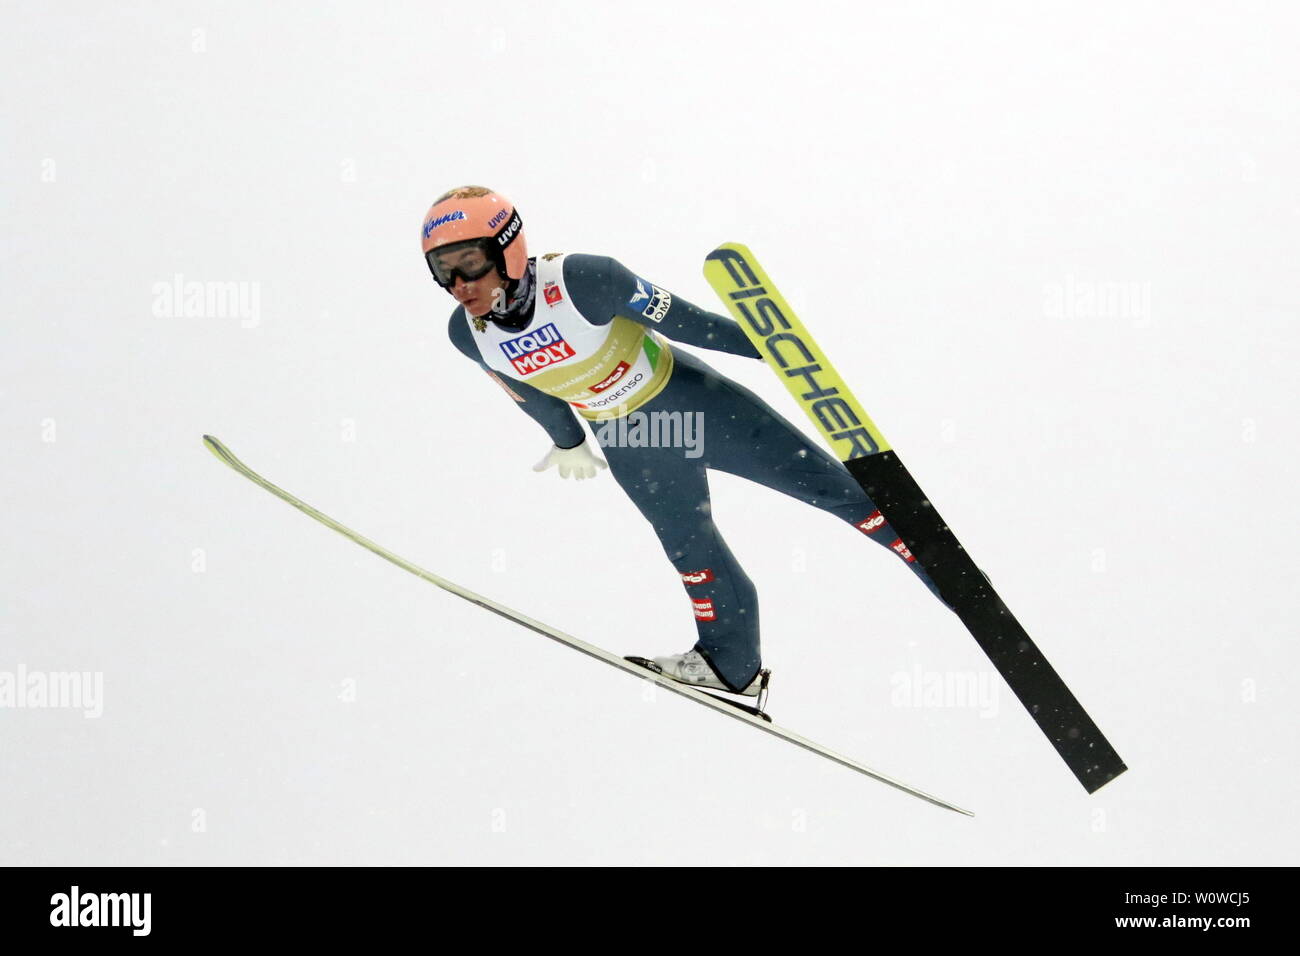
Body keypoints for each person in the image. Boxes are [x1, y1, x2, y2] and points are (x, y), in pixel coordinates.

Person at [423, 185, 948, 697]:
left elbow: (686, 322)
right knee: (689, 549)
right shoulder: (466, 334)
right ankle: (730, 662)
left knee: (824, 486)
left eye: (469, 261)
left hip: (692, 404)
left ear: (507, 248)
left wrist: (774, 348)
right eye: (443, 271)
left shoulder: (584, 279)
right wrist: (565, 440)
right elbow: (531, 394)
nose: (460, 282)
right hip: (630, 438)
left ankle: (937, 563)